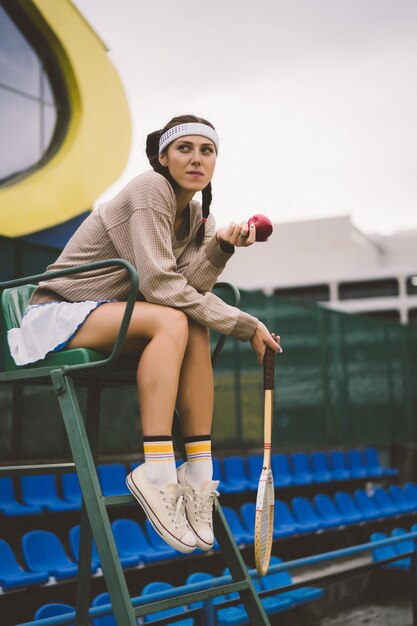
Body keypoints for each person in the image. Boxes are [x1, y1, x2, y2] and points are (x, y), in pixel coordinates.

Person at [8, 114, 281, 553]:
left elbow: (187, 287)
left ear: (216, 161)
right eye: (184, 149)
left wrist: (220, 248)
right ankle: (155, 471)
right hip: (59, 314)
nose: (196, 158)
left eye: (206, 150)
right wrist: (246, 324)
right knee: (175, 318)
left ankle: (196, 471)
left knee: (190, 324)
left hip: (121, 315)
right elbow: (158, 285)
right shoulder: (149, 190)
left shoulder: (199, 216)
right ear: (163, 157)